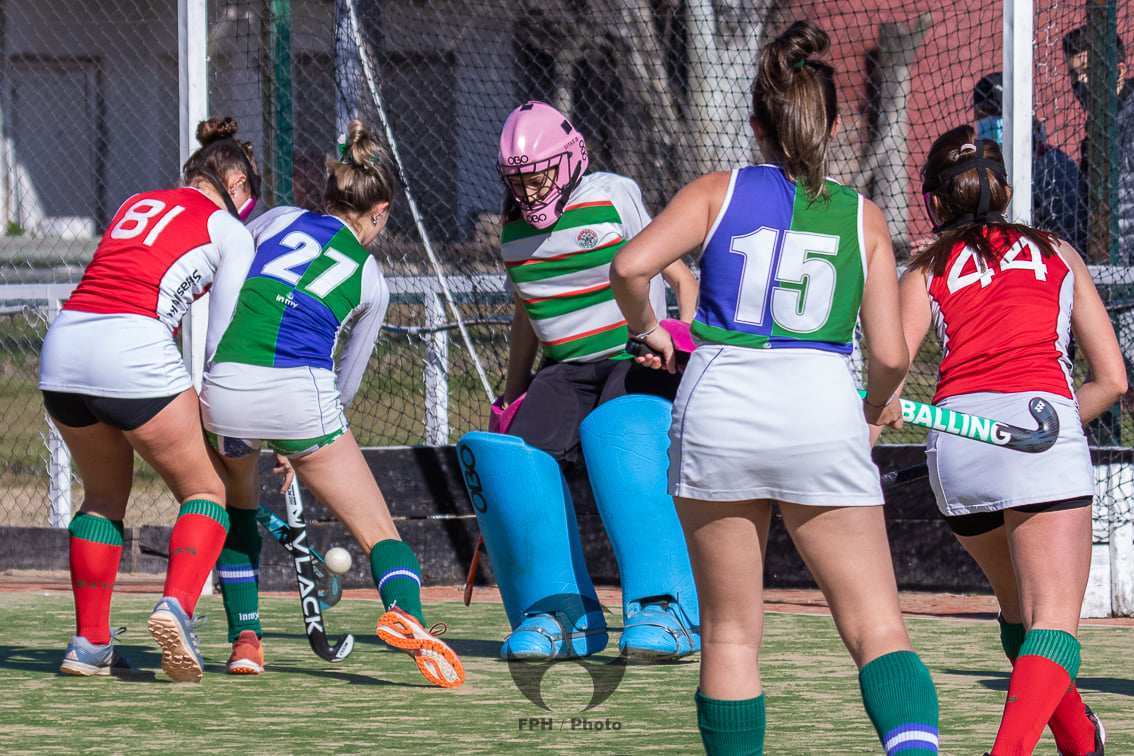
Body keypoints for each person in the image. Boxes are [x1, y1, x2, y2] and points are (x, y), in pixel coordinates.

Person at [610, 21, 939, 755]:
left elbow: (632, 267)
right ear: (830, 124)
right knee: (878, 625)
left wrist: (652, 328)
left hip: (720, 401)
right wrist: (877, 399)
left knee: (731, 634)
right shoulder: (865, 215)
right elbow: (888, 352)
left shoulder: (714, 192)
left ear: (758, 123)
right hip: (820, 401)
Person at [198, 120, 465, 689]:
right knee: (380, 535)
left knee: (237, 511)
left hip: (226, 388)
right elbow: (344, 387)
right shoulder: (372, 278)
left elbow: (234, 275)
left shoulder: (278, 219)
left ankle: (246, 642)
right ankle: (407, 619)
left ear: (326, 195)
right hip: (303, 401)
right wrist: (301, 446)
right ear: (381, 211)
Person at [898, 126, 1124, 756]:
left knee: (1018, 615)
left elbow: (887, 366)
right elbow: (1111, 379)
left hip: (956, 445)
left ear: (935, 203)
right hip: (1040, 427)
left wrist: (883, 408)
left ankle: (1082, 741)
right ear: (1006, 187)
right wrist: (1052, 427)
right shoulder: (1057, 251)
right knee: (1052, 622)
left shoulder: (925, 267)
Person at [456, 99, 703, 663]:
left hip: (634, 355)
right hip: (564, 370)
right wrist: (513, 391)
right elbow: (528, 312)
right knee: (512, 457)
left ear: (569, 162)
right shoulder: (513, 230)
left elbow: (680, 279)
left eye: (539, 175)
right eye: (518, 180)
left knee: (619, 434)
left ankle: (668, 607)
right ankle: (561, 613)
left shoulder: (612, 196)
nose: (530, 191)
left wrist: (682, 345)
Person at [40, 117, 260, 682]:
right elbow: (222, 334)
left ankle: (89, 645)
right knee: (205, 489)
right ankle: (177, 609)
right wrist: (224, 407)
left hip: (63, 349)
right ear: (235, 182)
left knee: (104, 496)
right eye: (249, 198)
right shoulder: (231, 231)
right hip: (133, 348)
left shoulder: (139, 201)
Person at [972, 71, 1084, 251]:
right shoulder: (980, 169)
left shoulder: (1054, 167)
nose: (986, 121)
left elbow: (1069, 234)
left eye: (994, 113)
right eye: (981, 116)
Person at [1062, 26, 1133, 262]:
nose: (1080, 81)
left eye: (1088, 71)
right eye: (1074, 73)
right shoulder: (1100, 125)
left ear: (1119, 72)